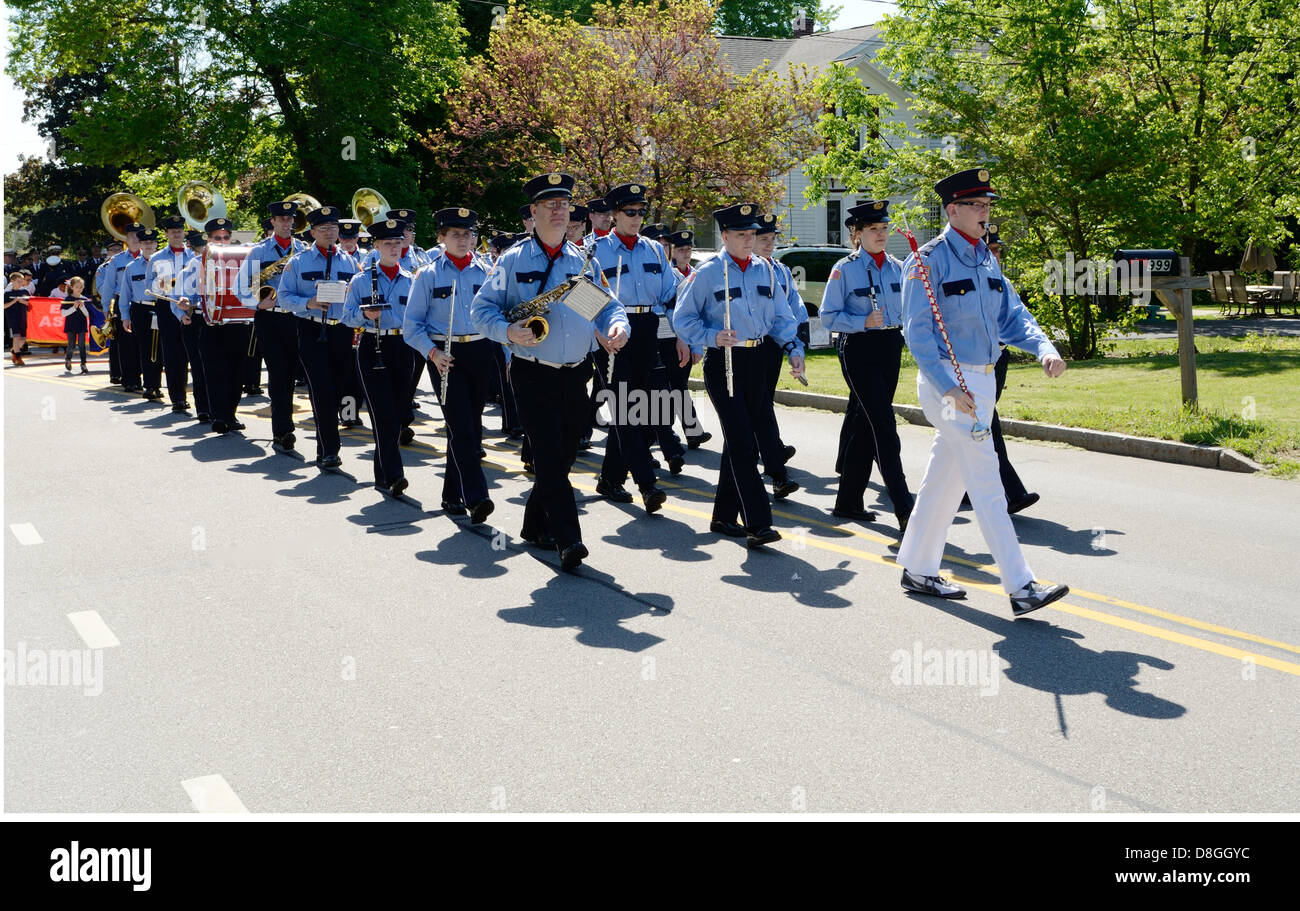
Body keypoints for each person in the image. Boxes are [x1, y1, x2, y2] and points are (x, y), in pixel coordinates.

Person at [896, 167, 1069, 616]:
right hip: (950, 385)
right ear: (952, 210)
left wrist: (1044, 349)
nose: (985, 213)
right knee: (988, 482)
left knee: (944, 479)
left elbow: (1014, 316)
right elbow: (918, 336)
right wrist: (950, 388)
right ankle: (1021, 585)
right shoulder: (926, 260)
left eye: (988, 206)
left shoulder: (986, 258)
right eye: (977, 205)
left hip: (985, 378)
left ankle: (917, 566)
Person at [471, 171, 629, 572]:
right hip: (532, 372)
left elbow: (605, 305)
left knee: (562, 456)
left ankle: (533, 524)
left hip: (576, 373)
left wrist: (617, 325)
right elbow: (481, 309)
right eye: (551, 204)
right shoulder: (513, 260)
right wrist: (507, 331)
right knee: (546, 455)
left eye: (564, 204)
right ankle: (569, 539)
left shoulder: (581, 261)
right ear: (535, 212)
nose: (560, 211)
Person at [673, 203, 806, 548]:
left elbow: (781, 316)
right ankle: (758, 523)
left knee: (739, 441)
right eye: (742, 234)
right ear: (725, 235)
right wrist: (710, 337)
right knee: (745, 444)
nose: (750, 240)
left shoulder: (767, 271)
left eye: (752, 234)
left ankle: (722, 516)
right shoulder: (707, 273)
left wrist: (793, 348)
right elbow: (683, 318)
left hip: (760, 359)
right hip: (726, 362)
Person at [820, 200, 914, 533]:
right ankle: (905, 507)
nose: (881, 234)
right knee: (884, 425)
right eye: (873, 229)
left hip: (890, 346)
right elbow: (828, 317)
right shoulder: (845, 269)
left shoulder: (899, 266)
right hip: (858, 347)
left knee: (865, 422)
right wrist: (862, 320)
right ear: (857, 234)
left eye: (884, 228)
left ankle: (848, 501)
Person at [590, 182, 678, 509]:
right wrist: (598, 332)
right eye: (630, 212)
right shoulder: (595, 250)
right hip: (611, 331)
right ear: (614, 215)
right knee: (626, 409)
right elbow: (581, 295)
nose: (637, 218)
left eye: (641, 212)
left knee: (648, 408)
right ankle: (647, 483)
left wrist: (681, 336)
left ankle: (610, 479)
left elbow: (670, 296)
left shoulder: (654, 249)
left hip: (646, 328)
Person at [405, 206, 496, 523]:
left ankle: (450, 494)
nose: (463, 239)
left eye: (468, 233)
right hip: (445, 355)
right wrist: (432, 353)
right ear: (441, 238)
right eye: (455, 234)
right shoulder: (428, 275)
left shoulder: (486, 272)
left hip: (481, 350)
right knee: (462, 428)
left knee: (470, 426)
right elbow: (411, 326)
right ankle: (476, 496)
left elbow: (499, 315)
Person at [278, 205, 360, 470]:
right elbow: (283, 297)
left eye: (333, 228)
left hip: (342, 330)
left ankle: (326, 444)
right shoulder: (298, 262)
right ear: (312, 232)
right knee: (321, 390)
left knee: (337, 388)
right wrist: (310, 302)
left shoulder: (350, 261)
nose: (329, 232)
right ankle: (328, 449)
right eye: (323, 228)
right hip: (312, 329)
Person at [342, 218, 415, 497]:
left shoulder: (411, 278)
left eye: (398, 242)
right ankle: (395, 475)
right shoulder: (361, 280)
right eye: (388, 243)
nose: (394, 247)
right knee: (382, 414)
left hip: (403, 346)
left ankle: (381, 474)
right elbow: (346, 317)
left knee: (397, 415)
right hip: (374, 344)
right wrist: (365, 314)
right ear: (376, 246)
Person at [237, 200, 308, 448]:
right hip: (271, 318)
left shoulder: (304, 249)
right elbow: (240, 286)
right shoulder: (259, 252)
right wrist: (257, 305)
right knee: (278, 374)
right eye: (282, 219)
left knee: (299, 373)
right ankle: (283, 430)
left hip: (299, 317)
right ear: (273, 222)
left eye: (291, 219)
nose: (287, 223)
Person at [752, 214, 802, 498]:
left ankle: (771, 455)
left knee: (763, 404)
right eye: (763, 240)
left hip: (774, 344)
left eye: (772, 240)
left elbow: (792, 308)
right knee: (760, 408)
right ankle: (776, 468)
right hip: (748, 346)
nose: (769, 245)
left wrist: (795, 345)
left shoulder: (781, 270)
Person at [148, 214, 202, 414]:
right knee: (173, 355)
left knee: (196, 355)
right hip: (167, 306)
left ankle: (201, 400)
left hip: (193, 307)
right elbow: (149, 286)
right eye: (173, 232)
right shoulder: (157, 257)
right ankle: (178, 398)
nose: (177, 234)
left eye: (180, 231)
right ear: (167, 234)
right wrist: (166, 285)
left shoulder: (195, 256)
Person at [662, 229, 710, 448]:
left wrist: (697, 346)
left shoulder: (696, 275)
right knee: (676, 386)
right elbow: (669, 312)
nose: (685, 253)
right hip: (669, 339)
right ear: (673, 252)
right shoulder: (668, 275)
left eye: (689, 249)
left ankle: (675, 432)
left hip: (689, 340)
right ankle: (685, 432)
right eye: (681, 250)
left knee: (677, 386)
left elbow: (699, 313)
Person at [120, 227, 163, 400]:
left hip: (160, 307)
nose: (148, 246)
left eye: (152, 242)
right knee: (145, 348)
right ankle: (149, 385)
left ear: (156, 244)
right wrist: (125, 316)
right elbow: (125, 293)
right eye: (145, 243)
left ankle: (157, 385)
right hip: (140, 309)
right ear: (141, 244)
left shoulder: (164, 264)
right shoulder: (131, 266)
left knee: (160, 348)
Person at [100, 229, 143, 392]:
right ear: (126, 239)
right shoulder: (117, 260)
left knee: (142, 342)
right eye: (131, 236)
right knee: (125, 343)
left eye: (137, 236)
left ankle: (142, 377)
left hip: (142, 302)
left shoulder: (148, 257)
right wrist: (106, 307)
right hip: (121, 301)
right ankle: (129, 379)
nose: (134, 239)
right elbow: (109, 285)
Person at [61, 276, 92, 373]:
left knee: (82, 345)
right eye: (77, 287)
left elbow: (87, 314)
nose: (79, 289)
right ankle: (68, 359)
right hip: (71, 325)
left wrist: (82, 307)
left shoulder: (84, 299)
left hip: (82, 325)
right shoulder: (68, 299)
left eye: (81, 287)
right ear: (72, 287)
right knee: (71, 345)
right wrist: (74, 307)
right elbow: (63, 313)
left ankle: (83, 363)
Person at [5, 269, 33, 365]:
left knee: (23, 339)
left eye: (22, 281)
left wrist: (23, 301)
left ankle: (14, 350)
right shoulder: (7, 293)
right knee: (16, 336)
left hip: (23, 316)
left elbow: (31, 304)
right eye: (18, 281)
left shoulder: (25, 291)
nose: (21, 283)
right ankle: (18, 357)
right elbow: (4, 306)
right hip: (12, 317)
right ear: (12, 281)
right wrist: (15, 301)